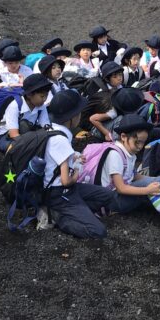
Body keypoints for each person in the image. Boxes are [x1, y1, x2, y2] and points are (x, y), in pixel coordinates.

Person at [83, 114, 160, 236]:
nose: (140, 147)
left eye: (143, 142)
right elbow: (121, 187)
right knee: (153, 187)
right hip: (112, 202)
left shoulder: (128, 152)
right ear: (123, 136)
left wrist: (159, 181)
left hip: (119, 195)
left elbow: (133, 176)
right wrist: (147, 189)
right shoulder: (115, 155)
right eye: (137, 142)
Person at [44, 90, 118, 239]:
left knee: (107, 195)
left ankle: (77, 210)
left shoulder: (52, 129)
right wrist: (77, 170)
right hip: (59, 193)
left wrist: (75, 157)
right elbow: (66, 181)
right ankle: (59, 218)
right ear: (71, 117)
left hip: (60, 189)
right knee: (98, 231)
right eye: (78, 113)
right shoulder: (61, 140)